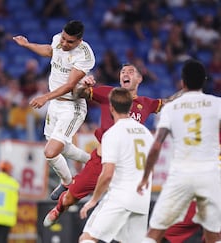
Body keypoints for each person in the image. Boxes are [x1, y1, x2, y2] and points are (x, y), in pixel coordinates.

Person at [43, 63, 171, 227]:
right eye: (122, 71)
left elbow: (168, 103)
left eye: (131, 72)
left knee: (127, 216)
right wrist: (83, 85)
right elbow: (78, 93)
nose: (125, 74)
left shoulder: (146, 103)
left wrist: (189, 96)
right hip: (101, 162)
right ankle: (59, 209)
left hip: (127, 167)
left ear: (139, 79)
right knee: (69, 199)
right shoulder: (108, 93)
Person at [137, 59, 221, 243]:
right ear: (205, 81)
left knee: (154, 233)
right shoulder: (217, 104)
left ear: (182, 83)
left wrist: (145, 178)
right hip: (210, 174)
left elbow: (157, 145)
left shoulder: (171, 108)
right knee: (214, 236)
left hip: (181, 174)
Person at [13, 20, 95, 199]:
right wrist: (27, 45)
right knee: (60, 147)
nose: (64, 44)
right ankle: (95, 162)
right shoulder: (58, 40)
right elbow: (51, 51)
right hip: (55, 104)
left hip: (71, 107)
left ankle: (68, 183)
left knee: (50, 151)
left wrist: (45, 97)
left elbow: (70, 85)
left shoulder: (84, 55)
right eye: (64, 39)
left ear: (79, 41)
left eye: (70, 42)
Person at [78, 87, 154, 243]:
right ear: (130, 106)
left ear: (111, 107)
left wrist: (94, 200)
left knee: (88, 238)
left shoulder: (113, 134)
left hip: (120, 196)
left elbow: (107, 174)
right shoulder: (146, 133)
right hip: (142, 199)